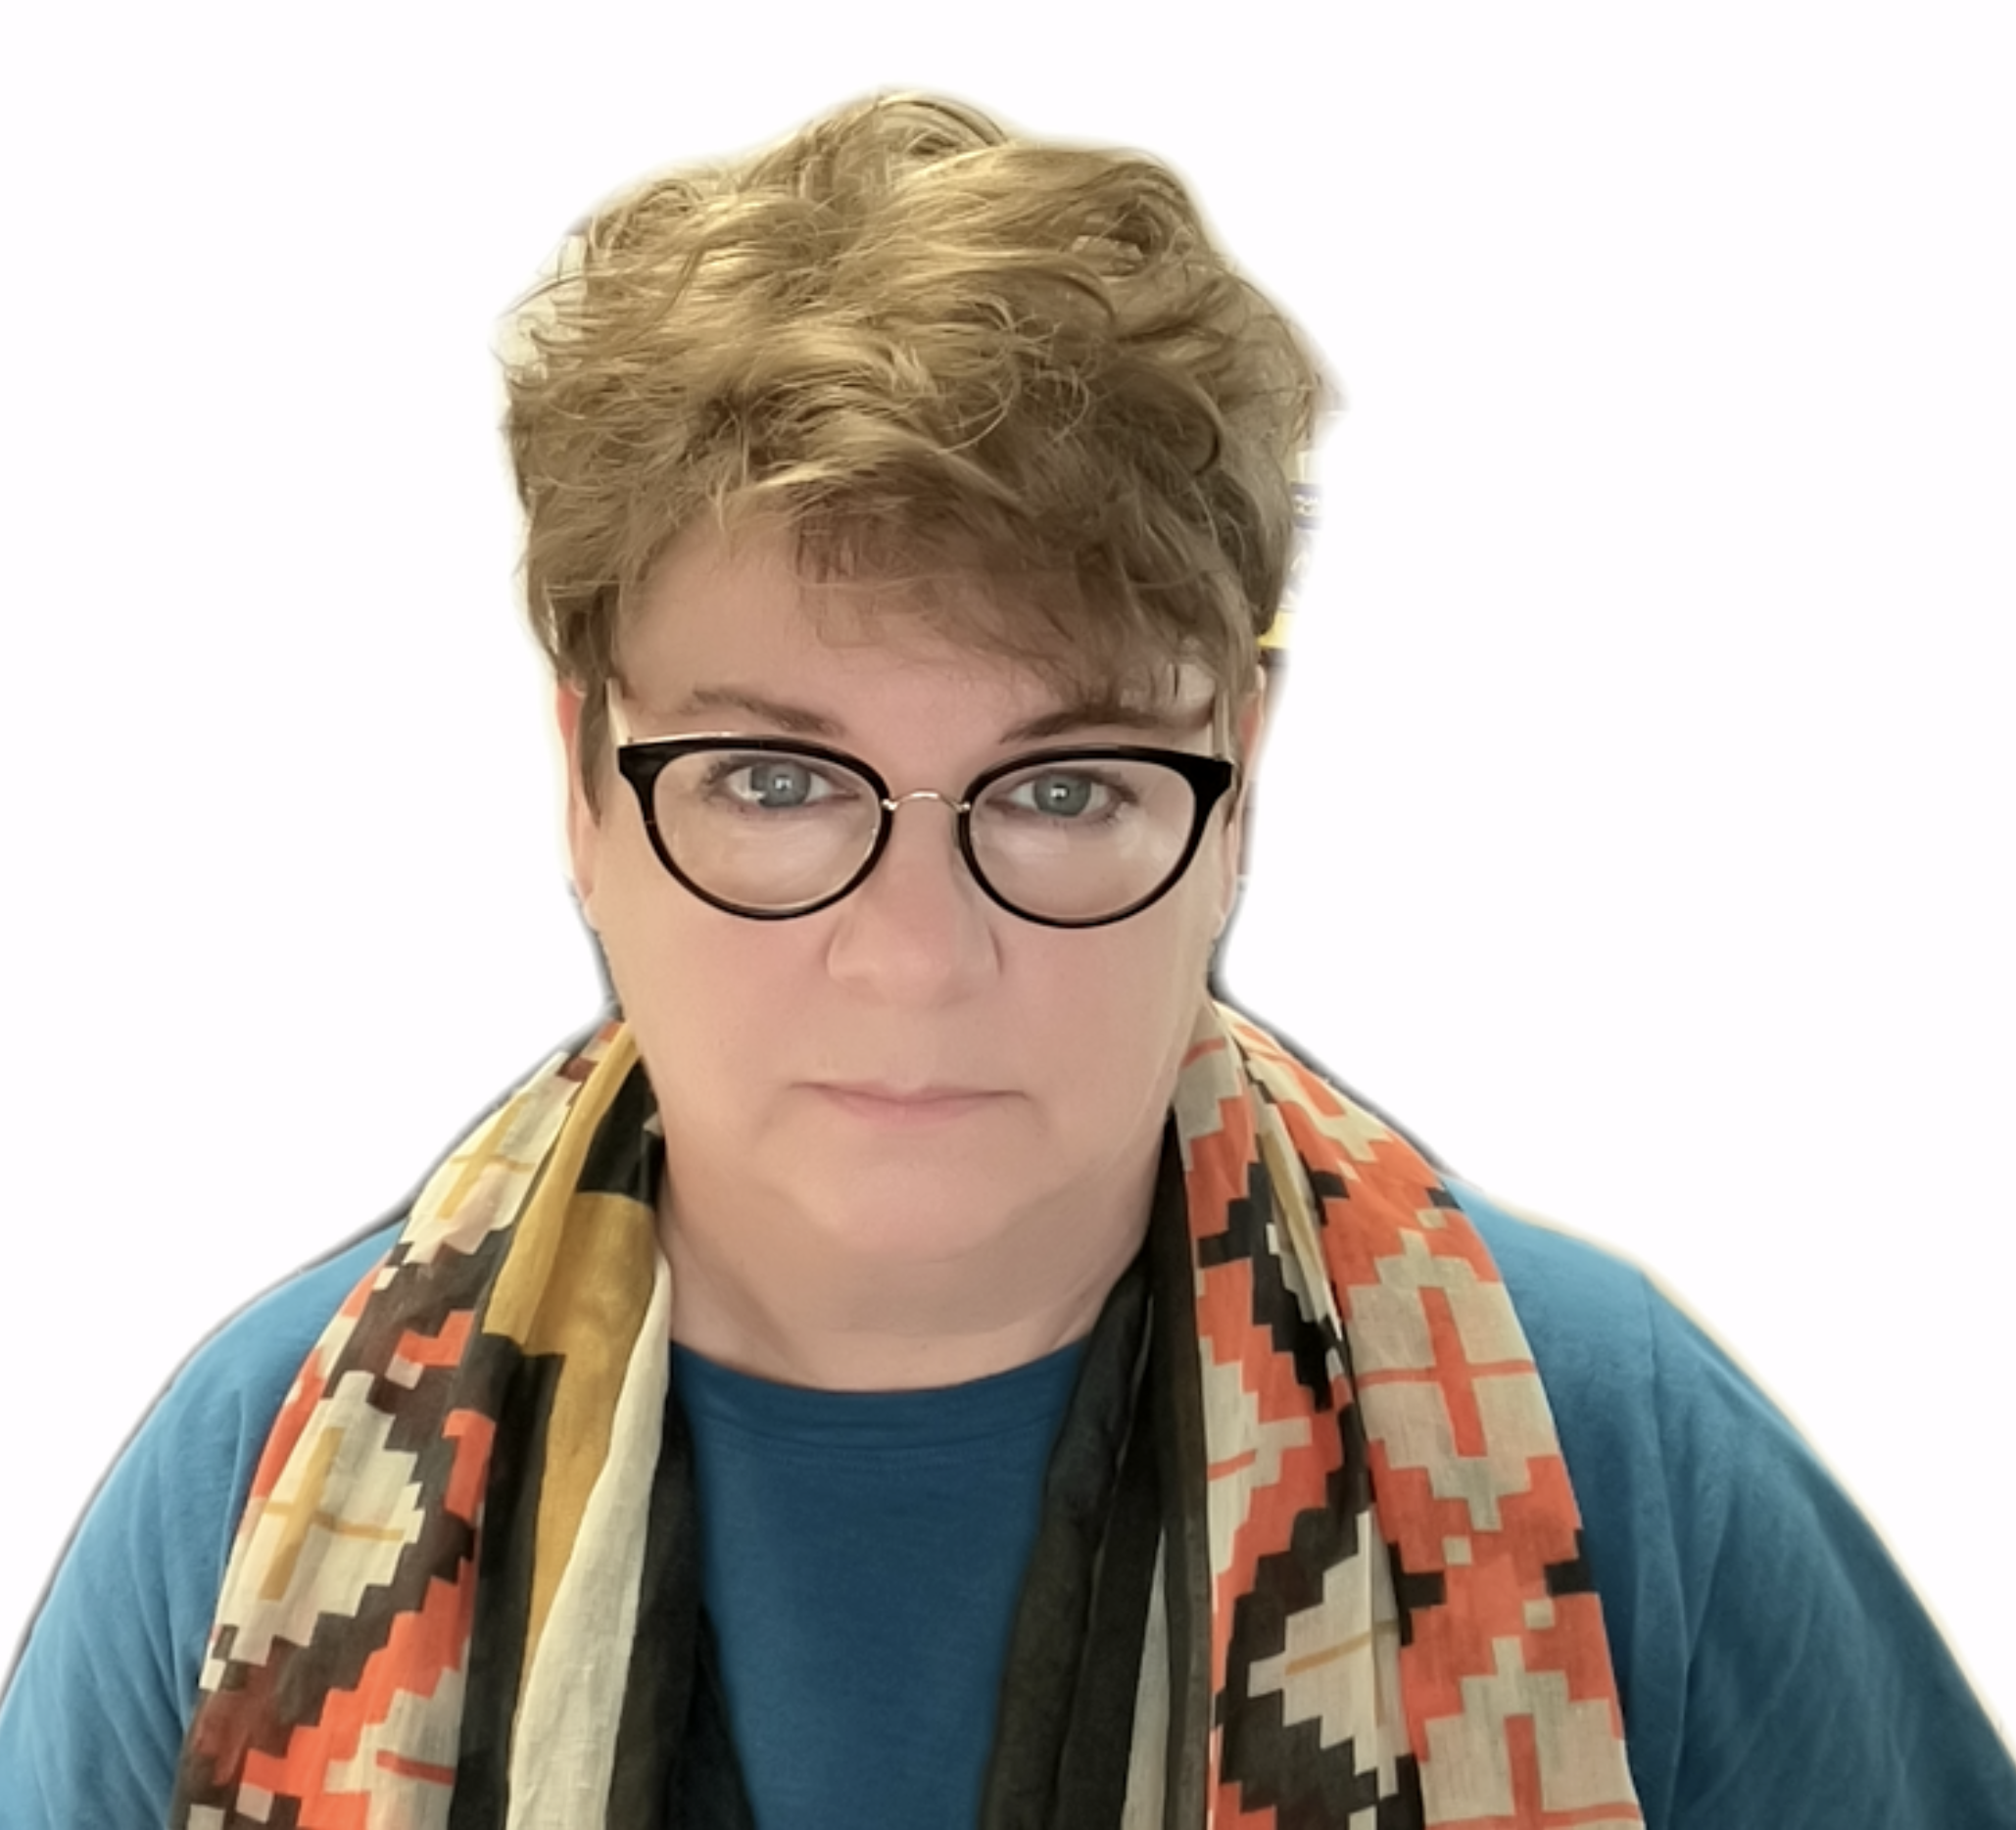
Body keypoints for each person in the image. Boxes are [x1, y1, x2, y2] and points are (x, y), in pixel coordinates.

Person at [0, 92, 2009, 1830]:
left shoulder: (1600, 1444)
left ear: (1232, 780)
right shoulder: (255, 1481)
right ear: (584, 786)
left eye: (1060, 790)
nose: (915, 954)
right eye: (779, 776)